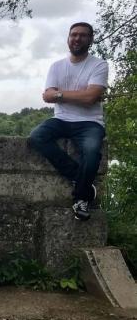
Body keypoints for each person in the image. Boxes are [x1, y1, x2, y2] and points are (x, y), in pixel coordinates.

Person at [28, 22, 108, 221]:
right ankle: (80, 179)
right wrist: (81, 94)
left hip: (90, 122)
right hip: (62, 118)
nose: (77, 39)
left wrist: (60, 94)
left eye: (82, 35)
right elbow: (47, 97)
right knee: (36, 137)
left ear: (90, 39)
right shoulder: (57, 66)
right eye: (73, 35)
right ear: (68, 38)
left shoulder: (99, 65)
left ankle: (81, 198)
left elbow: (90, 98)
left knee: (91, 153)